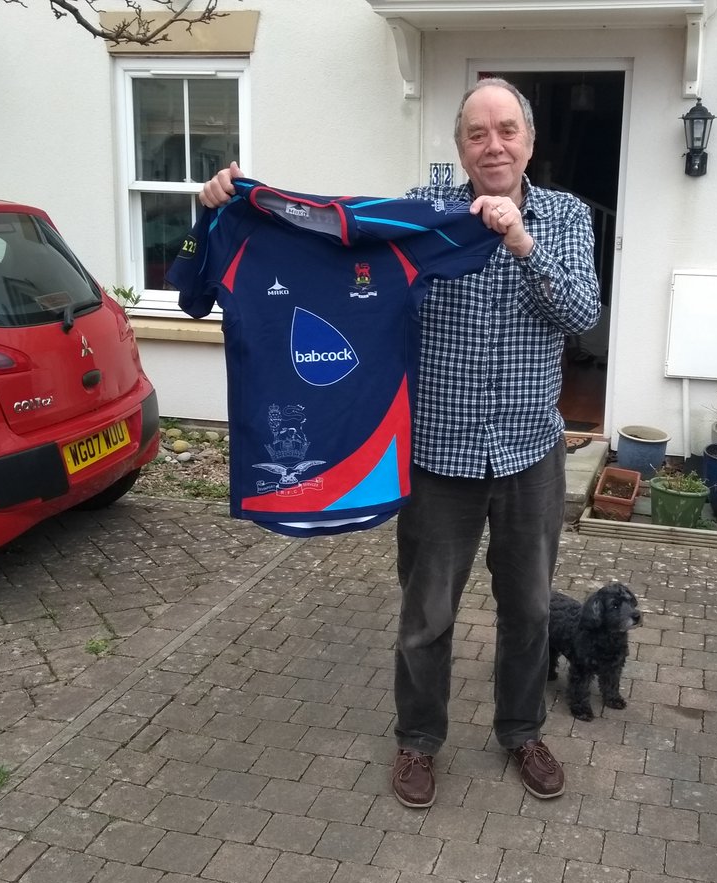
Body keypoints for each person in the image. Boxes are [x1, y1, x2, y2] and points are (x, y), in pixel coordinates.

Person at [199, 77, 600, 808]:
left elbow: (579, 311)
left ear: (530, 142)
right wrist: (236, 207)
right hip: (438, 456)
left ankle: (521, 731)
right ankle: (418, 742)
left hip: (528, 454)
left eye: (507, 129)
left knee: (532, 610)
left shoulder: (567, 217)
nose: (494, 144)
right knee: (426, 617)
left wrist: (520, 240)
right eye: (478, 133)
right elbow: (329, 238)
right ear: (460, 146)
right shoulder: (422, 217)